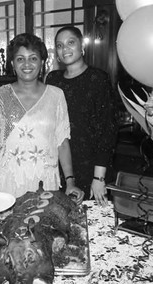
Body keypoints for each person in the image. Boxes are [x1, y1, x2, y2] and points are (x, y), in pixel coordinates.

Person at [0, 33, 84, 204]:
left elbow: (62, 142)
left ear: (42, 62)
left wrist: (70, 182)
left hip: (44, 182)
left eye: (33, 58)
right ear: (12, 64)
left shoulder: (56, 95)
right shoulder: (1, 95)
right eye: (20, 59)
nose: (27, 64)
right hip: (8, 182)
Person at [45, 26, 118, 207]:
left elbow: (107, 131)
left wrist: (99, 178)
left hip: (92, 167)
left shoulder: (98, 78)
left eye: (71, 43)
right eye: (60, 45)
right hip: (59, 166)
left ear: (82, 47)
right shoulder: (53, 80)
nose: (65, 49)